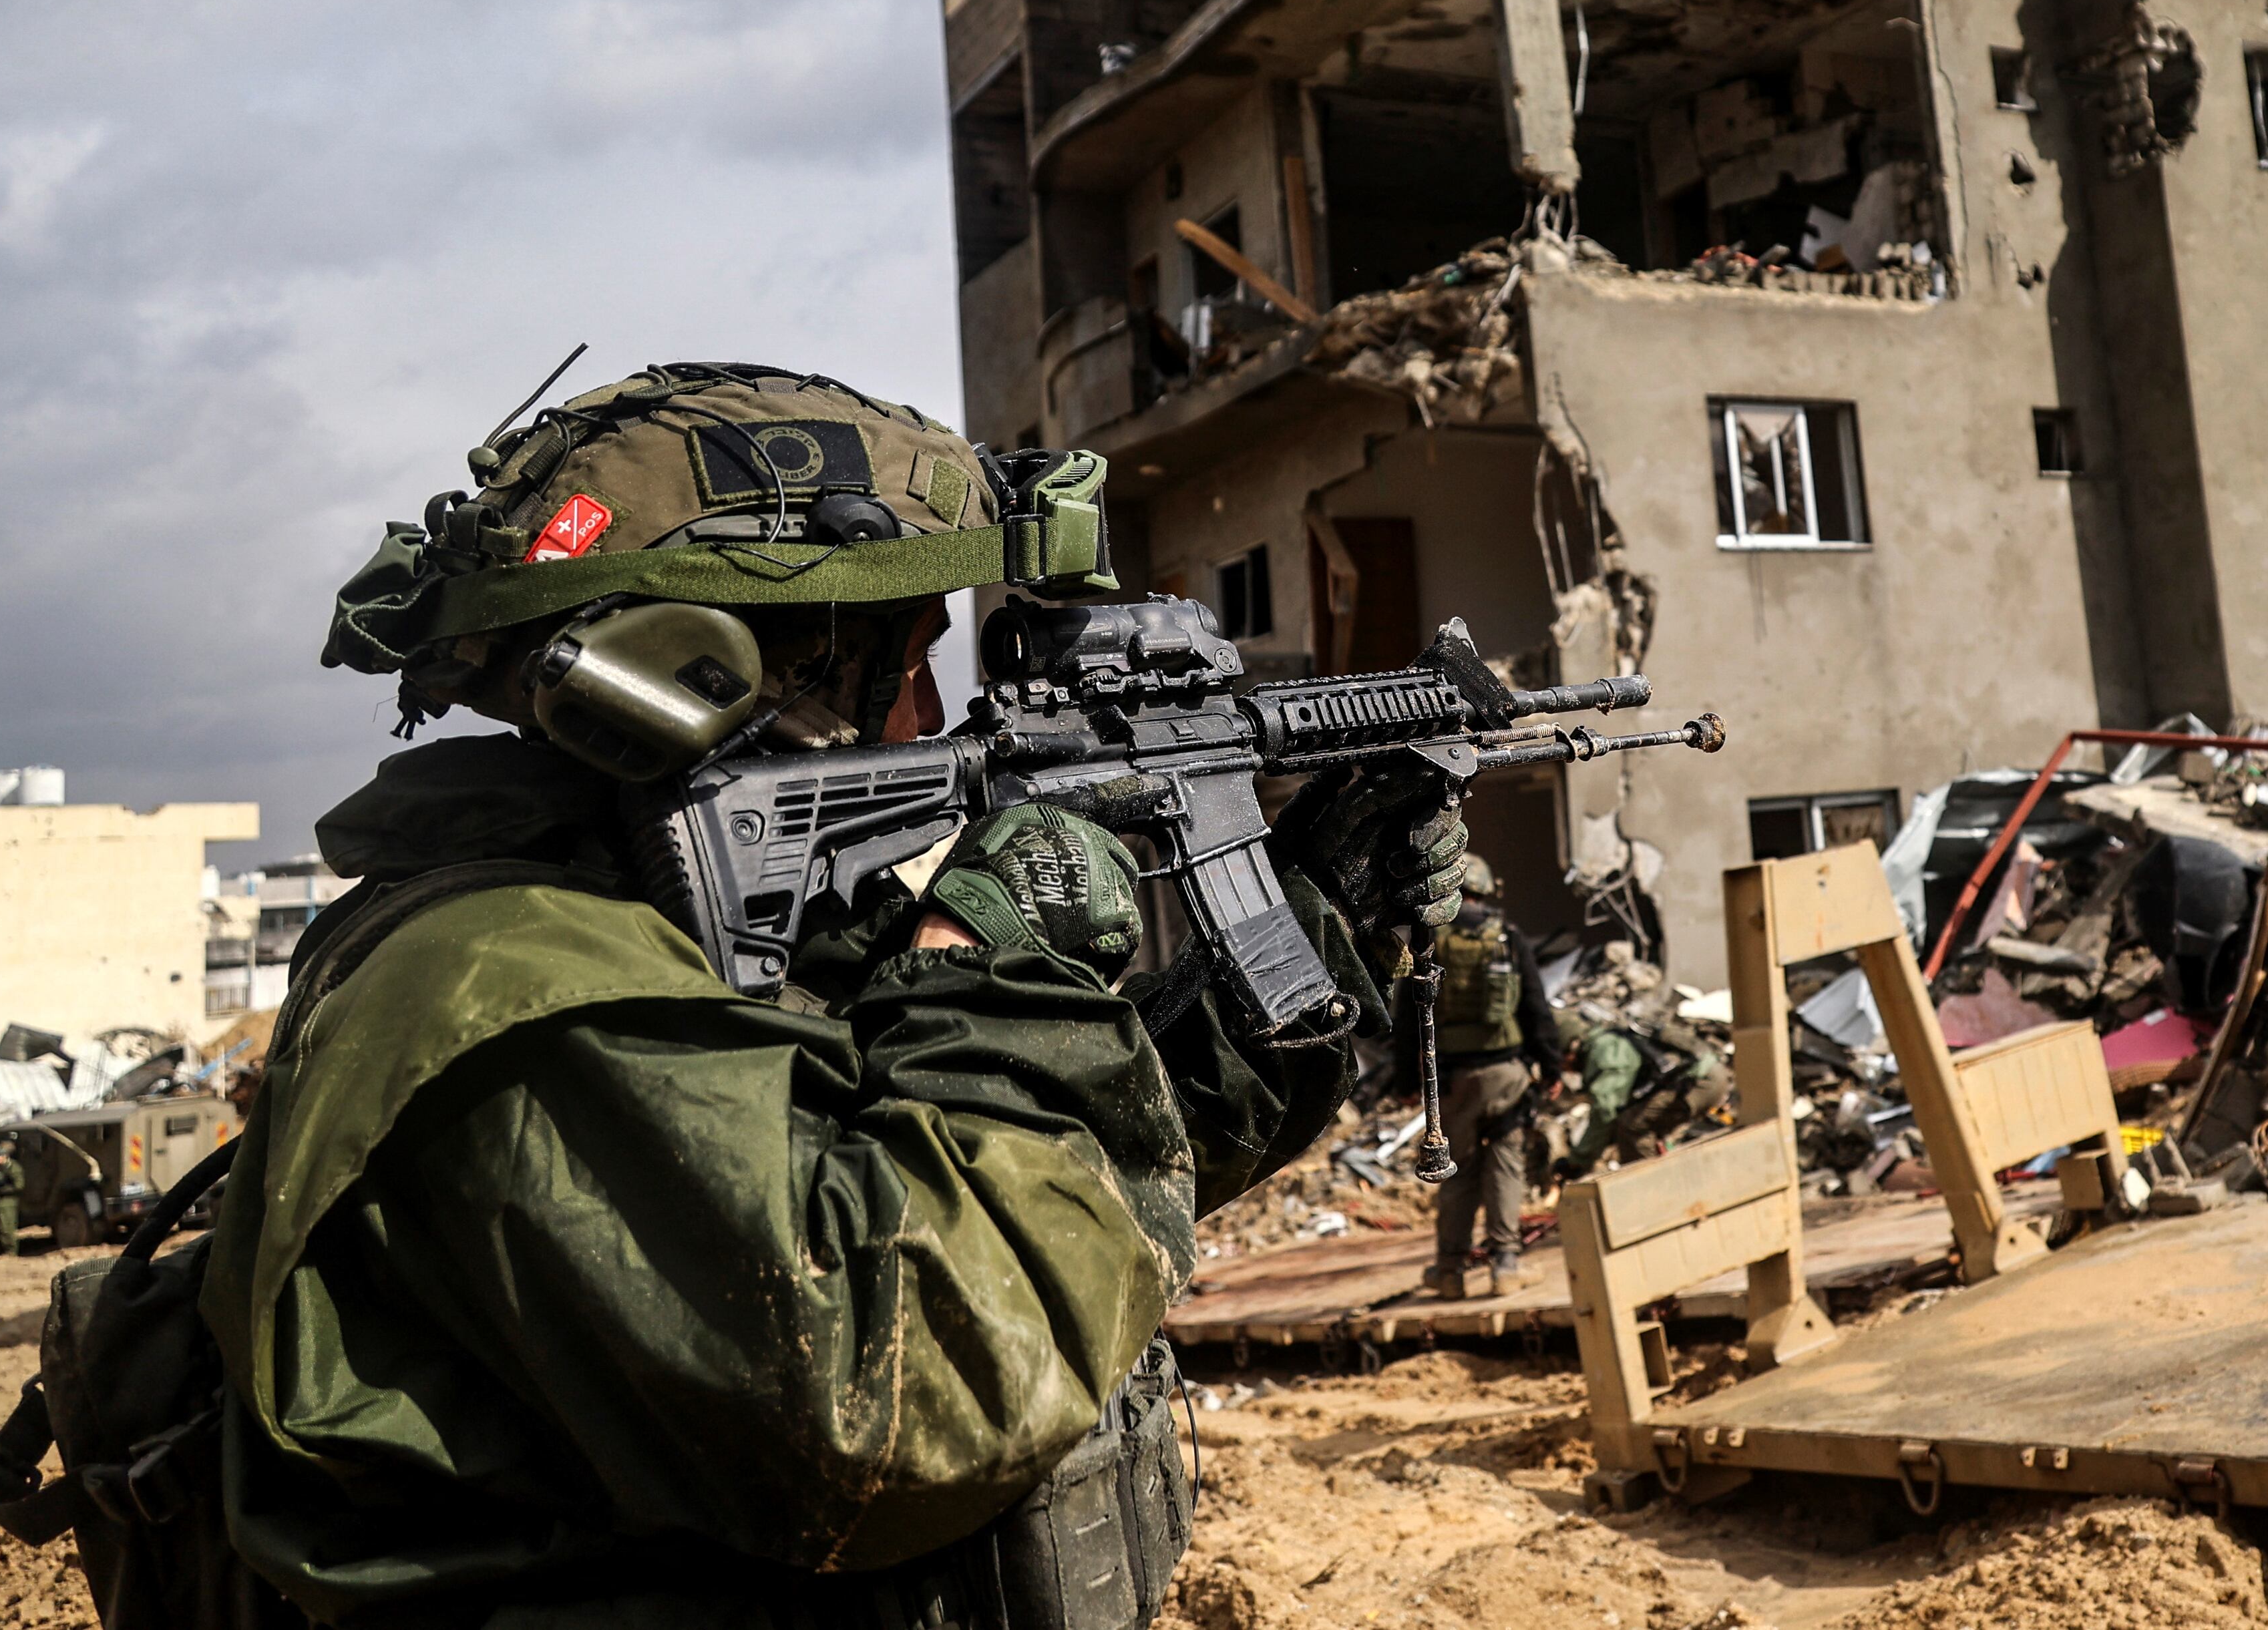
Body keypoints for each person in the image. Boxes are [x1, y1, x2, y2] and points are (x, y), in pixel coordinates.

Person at [200, 361, 1464, 1628]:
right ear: (723, 668)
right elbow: (907, 1390)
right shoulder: (514, 995)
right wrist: (990, 953)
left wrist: (1320, 916)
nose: (930, 712)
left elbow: (1039, 1190)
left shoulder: (672, 938)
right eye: (906, 659)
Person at [1421, 857, 1557, 1299]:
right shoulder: (1508, 937)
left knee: (1458, 1174)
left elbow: (1413, 1017)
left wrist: (1411, 1082)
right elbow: (1536, 1008)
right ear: (1484, 887)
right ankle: (1505, 1265)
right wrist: (1551, 1066)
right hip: (1507, 1075)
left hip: (1455, 1081)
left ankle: (1450, 1271)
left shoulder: (1432, 942)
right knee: (1505, 1165)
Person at [1555, 1004, 1730, 1175]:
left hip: (1700, 1081)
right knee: (1643, 1123)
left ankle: (1652, 1190)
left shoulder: (1604, 1051)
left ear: (1569, 1048)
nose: (1564, 1070)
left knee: (1632, 1126)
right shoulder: (1608, 1042)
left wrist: (1577, 1163)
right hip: (1704, 1077)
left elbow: (1605, 1113)